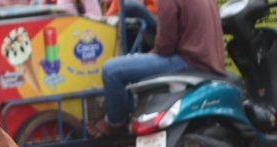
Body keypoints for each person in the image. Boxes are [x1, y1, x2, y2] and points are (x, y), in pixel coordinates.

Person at [92, 0, 225, 136]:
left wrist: (151, 53)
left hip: (188, 61)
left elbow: (165, 45)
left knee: (111, 70)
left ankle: (115, 124)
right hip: (207, 60)